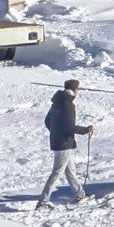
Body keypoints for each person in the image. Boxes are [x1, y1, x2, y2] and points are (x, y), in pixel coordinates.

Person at [37, 79, 91, 208]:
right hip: (64, 143)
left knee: (70, 171)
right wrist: (86, 130)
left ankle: (80, 194)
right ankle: (43, 202)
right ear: (75, 90)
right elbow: (69, 127)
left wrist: (56, 133)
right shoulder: (69, 104)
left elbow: (47, 121)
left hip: (59, 141)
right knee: (57, 172)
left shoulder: (57, 101)